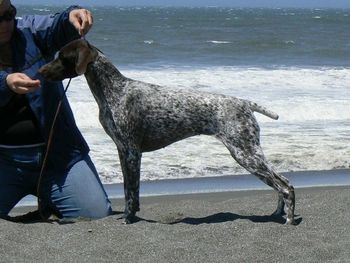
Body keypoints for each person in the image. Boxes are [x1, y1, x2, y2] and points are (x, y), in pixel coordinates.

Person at [0, 0, 112, 221]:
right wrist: (6, 82)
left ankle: (51, 202)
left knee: (96, 214)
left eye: (8, 15)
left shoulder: (29, 30)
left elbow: (57, 26)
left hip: (59, 157)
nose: (5, 24)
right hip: (5, 161)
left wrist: (73, 16)